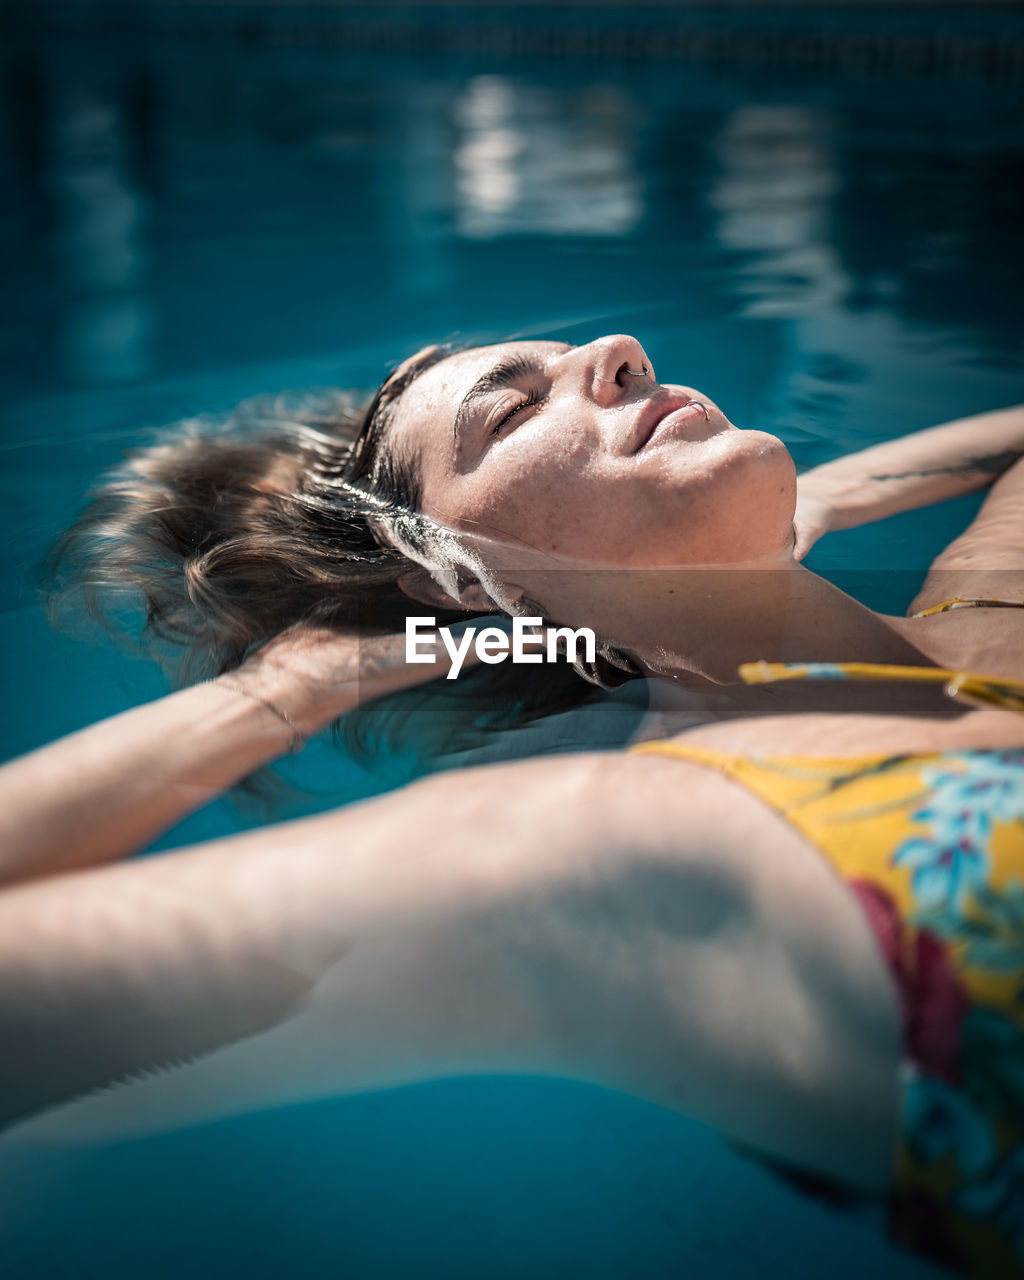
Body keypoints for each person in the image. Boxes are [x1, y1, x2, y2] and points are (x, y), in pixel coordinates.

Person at [1, 335, 1022, 1278]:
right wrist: (278, 693)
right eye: (509, 413)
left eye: (586, 353)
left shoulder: (992, 602)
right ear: (454, 580)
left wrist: (811, 505)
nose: (620, 352)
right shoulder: (600, 844)